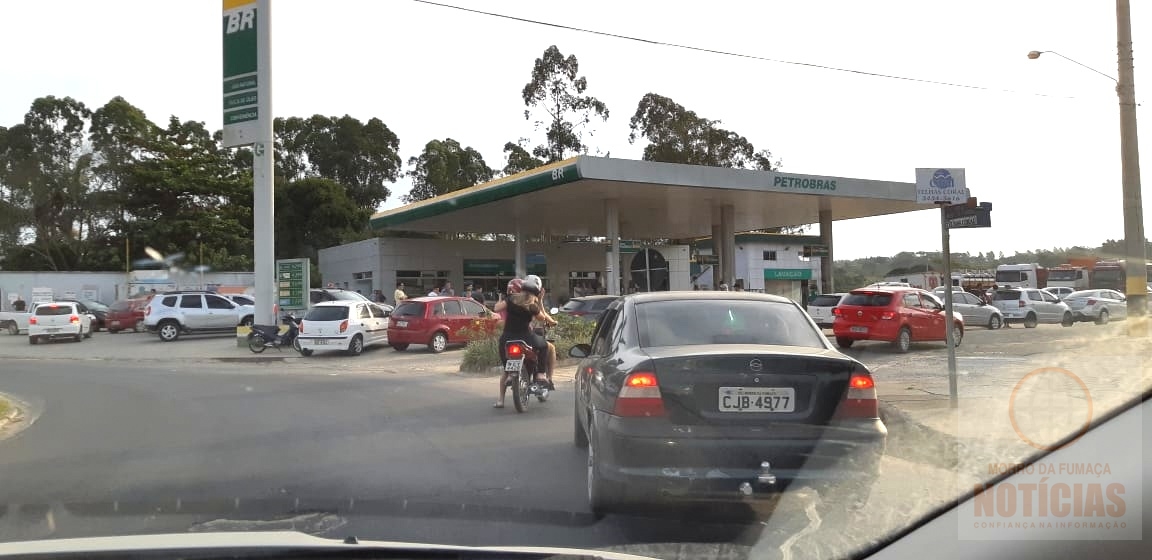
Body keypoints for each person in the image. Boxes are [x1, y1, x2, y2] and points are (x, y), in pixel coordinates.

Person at [493, 276, 557, 408]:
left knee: (506, 370)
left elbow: (496, 308)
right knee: (544, 345)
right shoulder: (531, 304)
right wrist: (539, 301)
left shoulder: (511, 299)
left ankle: (501, 399)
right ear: (536, 292)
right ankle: (540, 374)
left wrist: (502, 299)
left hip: (507, 339)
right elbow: (542, 318)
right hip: (525, 338)